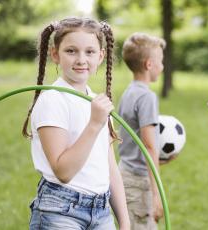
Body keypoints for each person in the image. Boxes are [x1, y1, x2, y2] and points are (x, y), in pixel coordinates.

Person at [22, 17, 130, 229]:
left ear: (101, 56)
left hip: (101, 212)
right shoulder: (53, 100)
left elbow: (109, 167)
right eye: (71, 51)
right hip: (60, 211)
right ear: (55, 54)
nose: (81, 59)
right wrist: (94, 125)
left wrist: (124, 222)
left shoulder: (96, 101)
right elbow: (63, 172)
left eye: (89, 52)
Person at [117, 32, 167, 230]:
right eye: (161, 62)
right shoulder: (147, 97)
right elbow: (148, 145)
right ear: (149, 65)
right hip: (138, 182)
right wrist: (157, 194)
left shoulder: (129, 92)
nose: (162, 67)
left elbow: (132, 138)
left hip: (126, 173)